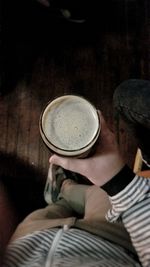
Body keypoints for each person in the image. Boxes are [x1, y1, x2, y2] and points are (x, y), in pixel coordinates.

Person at [3, 79, 150, 267]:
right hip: (109, 240)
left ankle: (62, 190)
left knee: (52, 209)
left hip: (32, 237)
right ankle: (66, 188)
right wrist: (118, 181)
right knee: (95, 193)